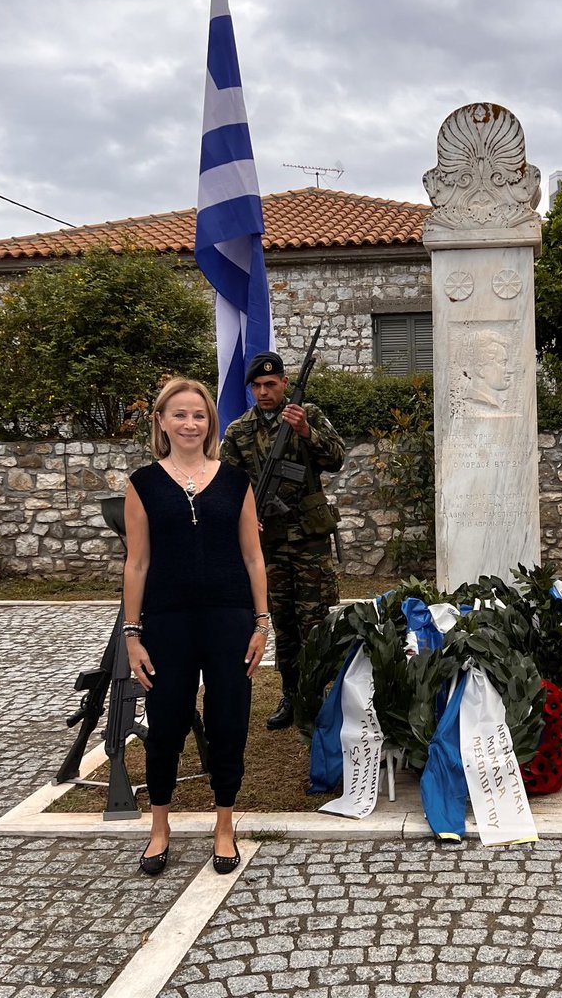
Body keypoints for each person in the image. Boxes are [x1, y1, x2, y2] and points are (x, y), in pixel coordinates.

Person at [122, 378, 269, 876]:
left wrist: (261, 622)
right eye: (180, 415)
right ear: (161, 421)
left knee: (229, 721)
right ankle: (159, 825)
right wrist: (132, 634)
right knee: (166, 725)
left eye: (199, 415)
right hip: (167, 623)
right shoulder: (142, 483)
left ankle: (223, 823)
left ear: (211, 424)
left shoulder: (235, 481)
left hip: (230, 620)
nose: (190, 424)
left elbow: (253, 556)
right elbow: (136, 563)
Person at [220, 351, 345, 731]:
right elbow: (227, 486)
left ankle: (322, 697)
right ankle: (291, 694)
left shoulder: (308, 415)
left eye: (270, 385)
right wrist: (243, 518)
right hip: (269, 543)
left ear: (284, 384)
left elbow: (336, 459)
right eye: (256, 386)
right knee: (283, 623)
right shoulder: (239, 431)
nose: (263, 392)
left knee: (316, 620)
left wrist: (307, 431)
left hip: (308, 540)